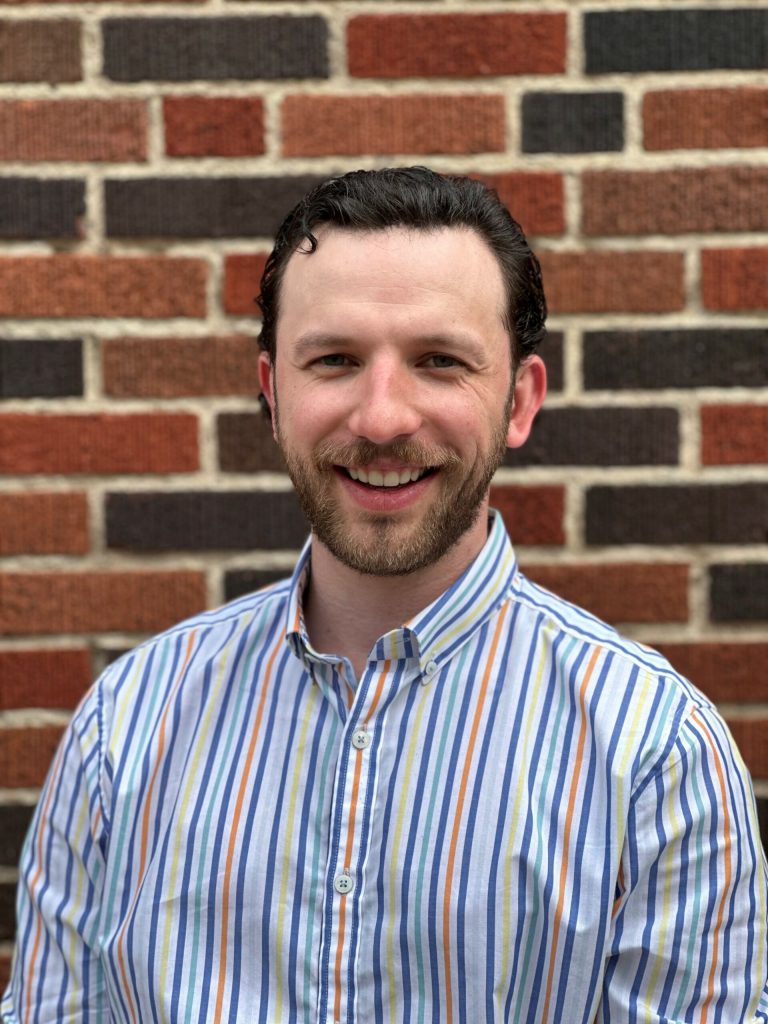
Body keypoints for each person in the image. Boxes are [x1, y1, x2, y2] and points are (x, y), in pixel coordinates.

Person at [3, 167, 767, 1023]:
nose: (381, 418)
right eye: (335, 360)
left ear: (518, 402)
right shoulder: (125, 728)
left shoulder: (658, 754)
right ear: (273, 394)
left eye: (440, 362)